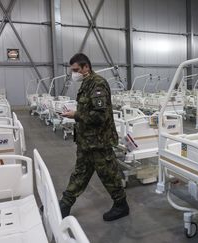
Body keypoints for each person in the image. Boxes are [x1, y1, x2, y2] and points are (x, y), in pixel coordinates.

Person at [59, 53, 129, 221]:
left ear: (86, 67)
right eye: (72, 70)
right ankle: (64, 205)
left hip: (99, 141)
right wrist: (76, 114)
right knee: (80, 173)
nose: (73, 73)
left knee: (108, 174)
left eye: (76, 70)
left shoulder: (98, 84)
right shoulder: (86, 84)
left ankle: (121, 205)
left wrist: (76, 114)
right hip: (86, 141)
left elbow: (100, 116)